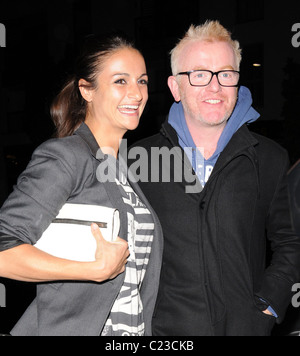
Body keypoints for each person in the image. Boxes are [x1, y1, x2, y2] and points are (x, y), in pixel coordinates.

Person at [130, 21, 300, 336]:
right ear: (174, 87)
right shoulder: (136, 161)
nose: (214, 86)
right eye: (198, 74)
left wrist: (270, 304)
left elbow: (291, 241)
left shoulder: (271, 158)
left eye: (225, 73)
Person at [0, 34, 163, 336]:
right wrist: (93, 270)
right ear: (87, 90)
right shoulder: (66, 156)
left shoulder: (122, 170)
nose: (137, 93)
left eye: (142, 81)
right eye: (120, 81)